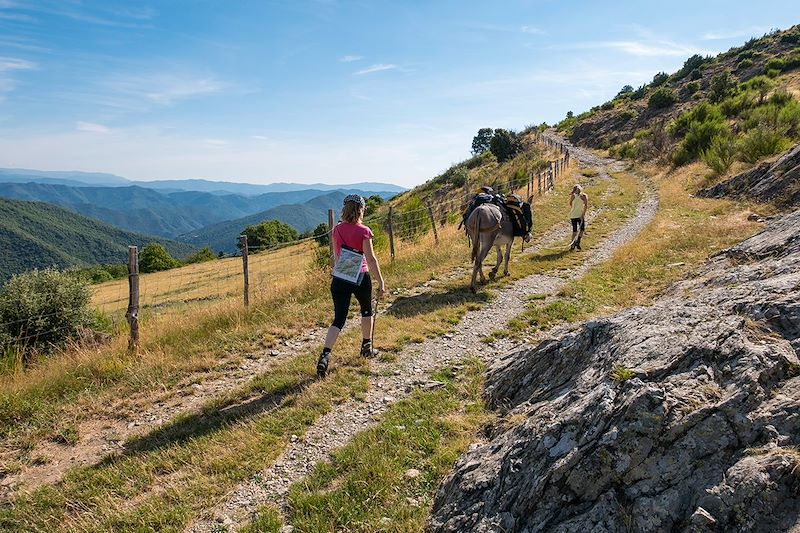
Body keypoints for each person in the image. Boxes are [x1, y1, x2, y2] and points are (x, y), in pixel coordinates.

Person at [317, 194, 386, 378]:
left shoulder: (337, 230)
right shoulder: (364, 231)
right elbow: (370, 259)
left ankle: (325, 355)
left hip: (340, 276)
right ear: (360, 210)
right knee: (366, 311)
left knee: (339, 319)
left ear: (345, 209)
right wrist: (380, 281)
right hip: (360, 276)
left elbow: (335, 255)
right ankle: (366, 346)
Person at [568, 184, 588, 250]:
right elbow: (586, 206)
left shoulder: (573, 196)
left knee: (574, 230)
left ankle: (573, 244)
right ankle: (578, 242)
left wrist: (574, 208)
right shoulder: (584, 196)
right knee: (582, 229)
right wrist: (583, 214)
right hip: (580, 215)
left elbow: (570, 204)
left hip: (573, 215)